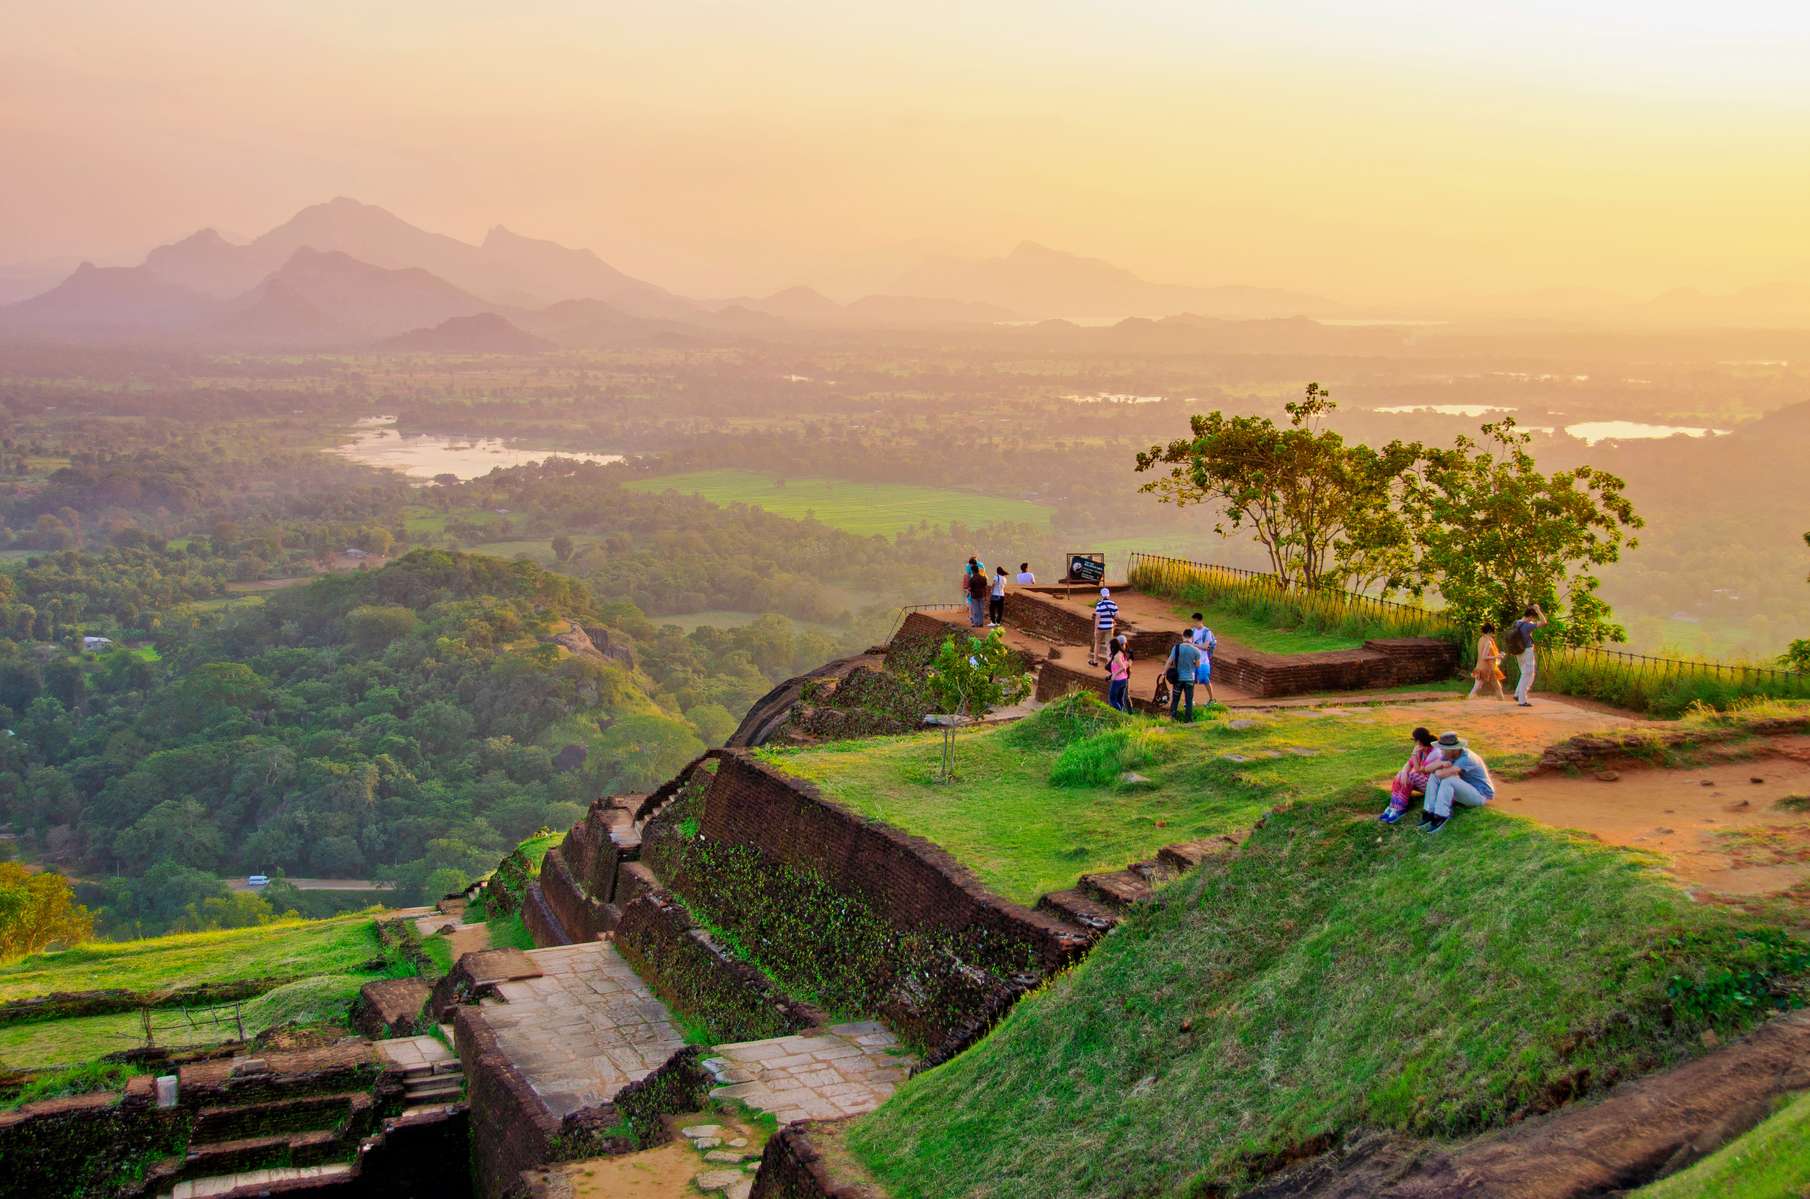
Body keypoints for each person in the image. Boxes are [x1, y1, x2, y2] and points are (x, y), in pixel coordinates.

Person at [1420, 731, 1495, 833]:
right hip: (1468, 790)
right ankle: (1429, 811)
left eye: (1443, 749)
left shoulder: (1466, 758)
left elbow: (1441, 774)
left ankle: (1441, 815)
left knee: (1448, 780)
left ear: (1453, 749)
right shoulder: (1449, 755)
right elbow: (1427, 769)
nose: (1441, 751)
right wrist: (1441, 763)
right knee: (1434, 776)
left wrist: (1438, 768)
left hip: (1481, 796)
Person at [1379, 727, 1438, 825]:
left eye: (1415, 741)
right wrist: (1404, 772)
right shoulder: (1421, 748)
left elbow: (1418, 770)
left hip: (1433, 784)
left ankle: (1401, 808)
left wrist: (1414, 754)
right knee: (1400, 775)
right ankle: (1393, 806)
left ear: (1419, 741)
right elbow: (1409, 764)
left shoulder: (1433, 751)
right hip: (1424, 781)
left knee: (1411, 776)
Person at [1508, 604, 1547, 707]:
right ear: (1530, 616)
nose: (1533, 620)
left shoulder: (1516, 623)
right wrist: (1538, 610)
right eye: (1533, 618)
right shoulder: (1527, 625)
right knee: (1528, 674)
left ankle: (1518, 694)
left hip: (1518, 651)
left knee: (1524, 674)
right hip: (1527, 651)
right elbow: (1544, 622)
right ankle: (1522, 700)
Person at [1165, 636, 1202, 721]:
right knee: (1189, 701)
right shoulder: (1196, 650)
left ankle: (1173, 717)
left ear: (1183, 637)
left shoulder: (1177, 648)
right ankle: (1188, 719)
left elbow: (1169, 661)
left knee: (1175, 700)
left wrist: (1164, 672)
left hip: (1178, 679)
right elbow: (1198, 665)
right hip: (1189, 679)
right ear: (1191, 638)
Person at [1468, 622, 1507, 701]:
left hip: (1481, 666)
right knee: (1481, 687)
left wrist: (1497, 655)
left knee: (1478, 687)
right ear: (1489, 632)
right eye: (1492, 632)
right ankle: (1502, 701)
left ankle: (1469, 700)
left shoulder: (1481, 639)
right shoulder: (1488, 642)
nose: (1493, 634)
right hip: (1486, 668)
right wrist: (1497, 656)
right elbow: (1484, 656)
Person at [1188, 613, 1218, 704]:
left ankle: (1212, 699)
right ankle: (1190, 700)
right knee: (1191, 680)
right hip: (1194, 660)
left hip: (1203, 660)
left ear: (1198, 620)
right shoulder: (1193, 631)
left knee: (1205, 679)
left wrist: (1193, 645)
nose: (1193, 623)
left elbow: (1205, 646)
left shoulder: (1207, 632)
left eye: (1194, 621)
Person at [1090, 587, 1119, 665]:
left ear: (1101, 595)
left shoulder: (1099, 604)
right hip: (1109, 627)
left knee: (1097, 643)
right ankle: (1109, 662)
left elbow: (1097, 618)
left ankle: (1095, 661)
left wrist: (1095, 629)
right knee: (1108, 645)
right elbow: (1117, 616)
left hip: (1100, 628)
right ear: (1108, 595)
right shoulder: (1113, 604)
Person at [1106, 636, 1132, 712]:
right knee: (1120, 699)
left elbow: (1123, 667)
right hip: (1124, 680)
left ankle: (1119, 712)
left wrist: (1114, 674)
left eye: (1110, 646)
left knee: (1112, 699)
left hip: (1118, 681)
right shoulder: (1121, 653)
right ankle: (1121, 713)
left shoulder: (1117, 656)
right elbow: (1126, 664)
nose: (1109, 648)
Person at [964, 560, 989, 627]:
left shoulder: (972, 579)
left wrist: (967, 594)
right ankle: (981, 623)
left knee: (975, 610)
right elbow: (985, 587)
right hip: (981, 595)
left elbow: (970, 588)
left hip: (974, 596)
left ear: (973, 571)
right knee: (981, 609)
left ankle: (976, 623)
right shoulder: (983, 578)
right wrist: (986, 596)